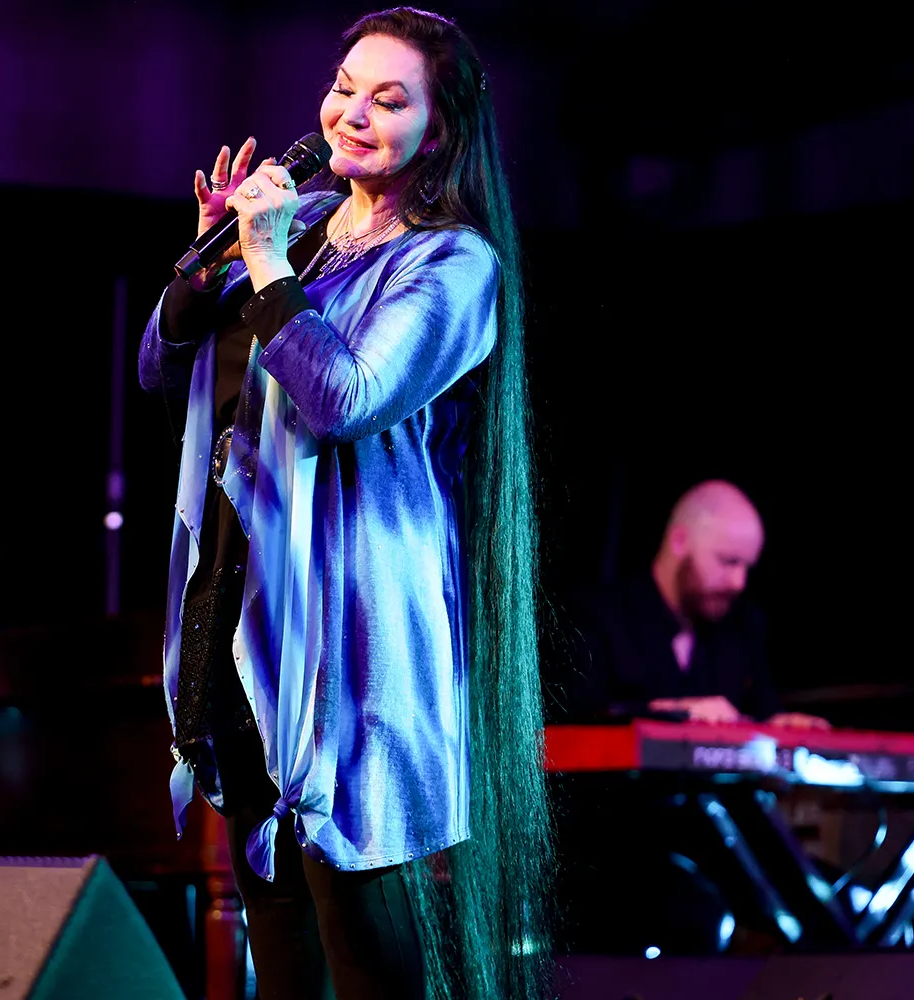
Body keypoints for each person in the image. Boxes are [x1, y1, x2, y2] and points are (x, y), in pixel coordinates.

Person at [137, 8, 551, 1000]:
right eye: (344, 86)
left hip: (353, 644)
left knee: (360, 933)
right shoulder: (303, 231)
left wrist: (269, 262)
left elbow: (343, 398)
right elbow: (160, 368)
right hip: (241, 617)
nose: (350, 112)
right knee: (277, 930)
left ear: (439, 132)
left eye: (388, 99)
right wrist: (210, 260)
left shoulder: (451, 266)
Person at [560, 479, 828, 729]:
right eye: (728, 561)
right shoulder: (597, 614)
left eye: (747, 567)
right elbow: (576, 721)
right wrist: (674, 712)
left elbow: (764, 717)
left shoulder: (744, 626)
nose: (739, 582)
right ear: (680, 542)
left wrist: (783, 727)